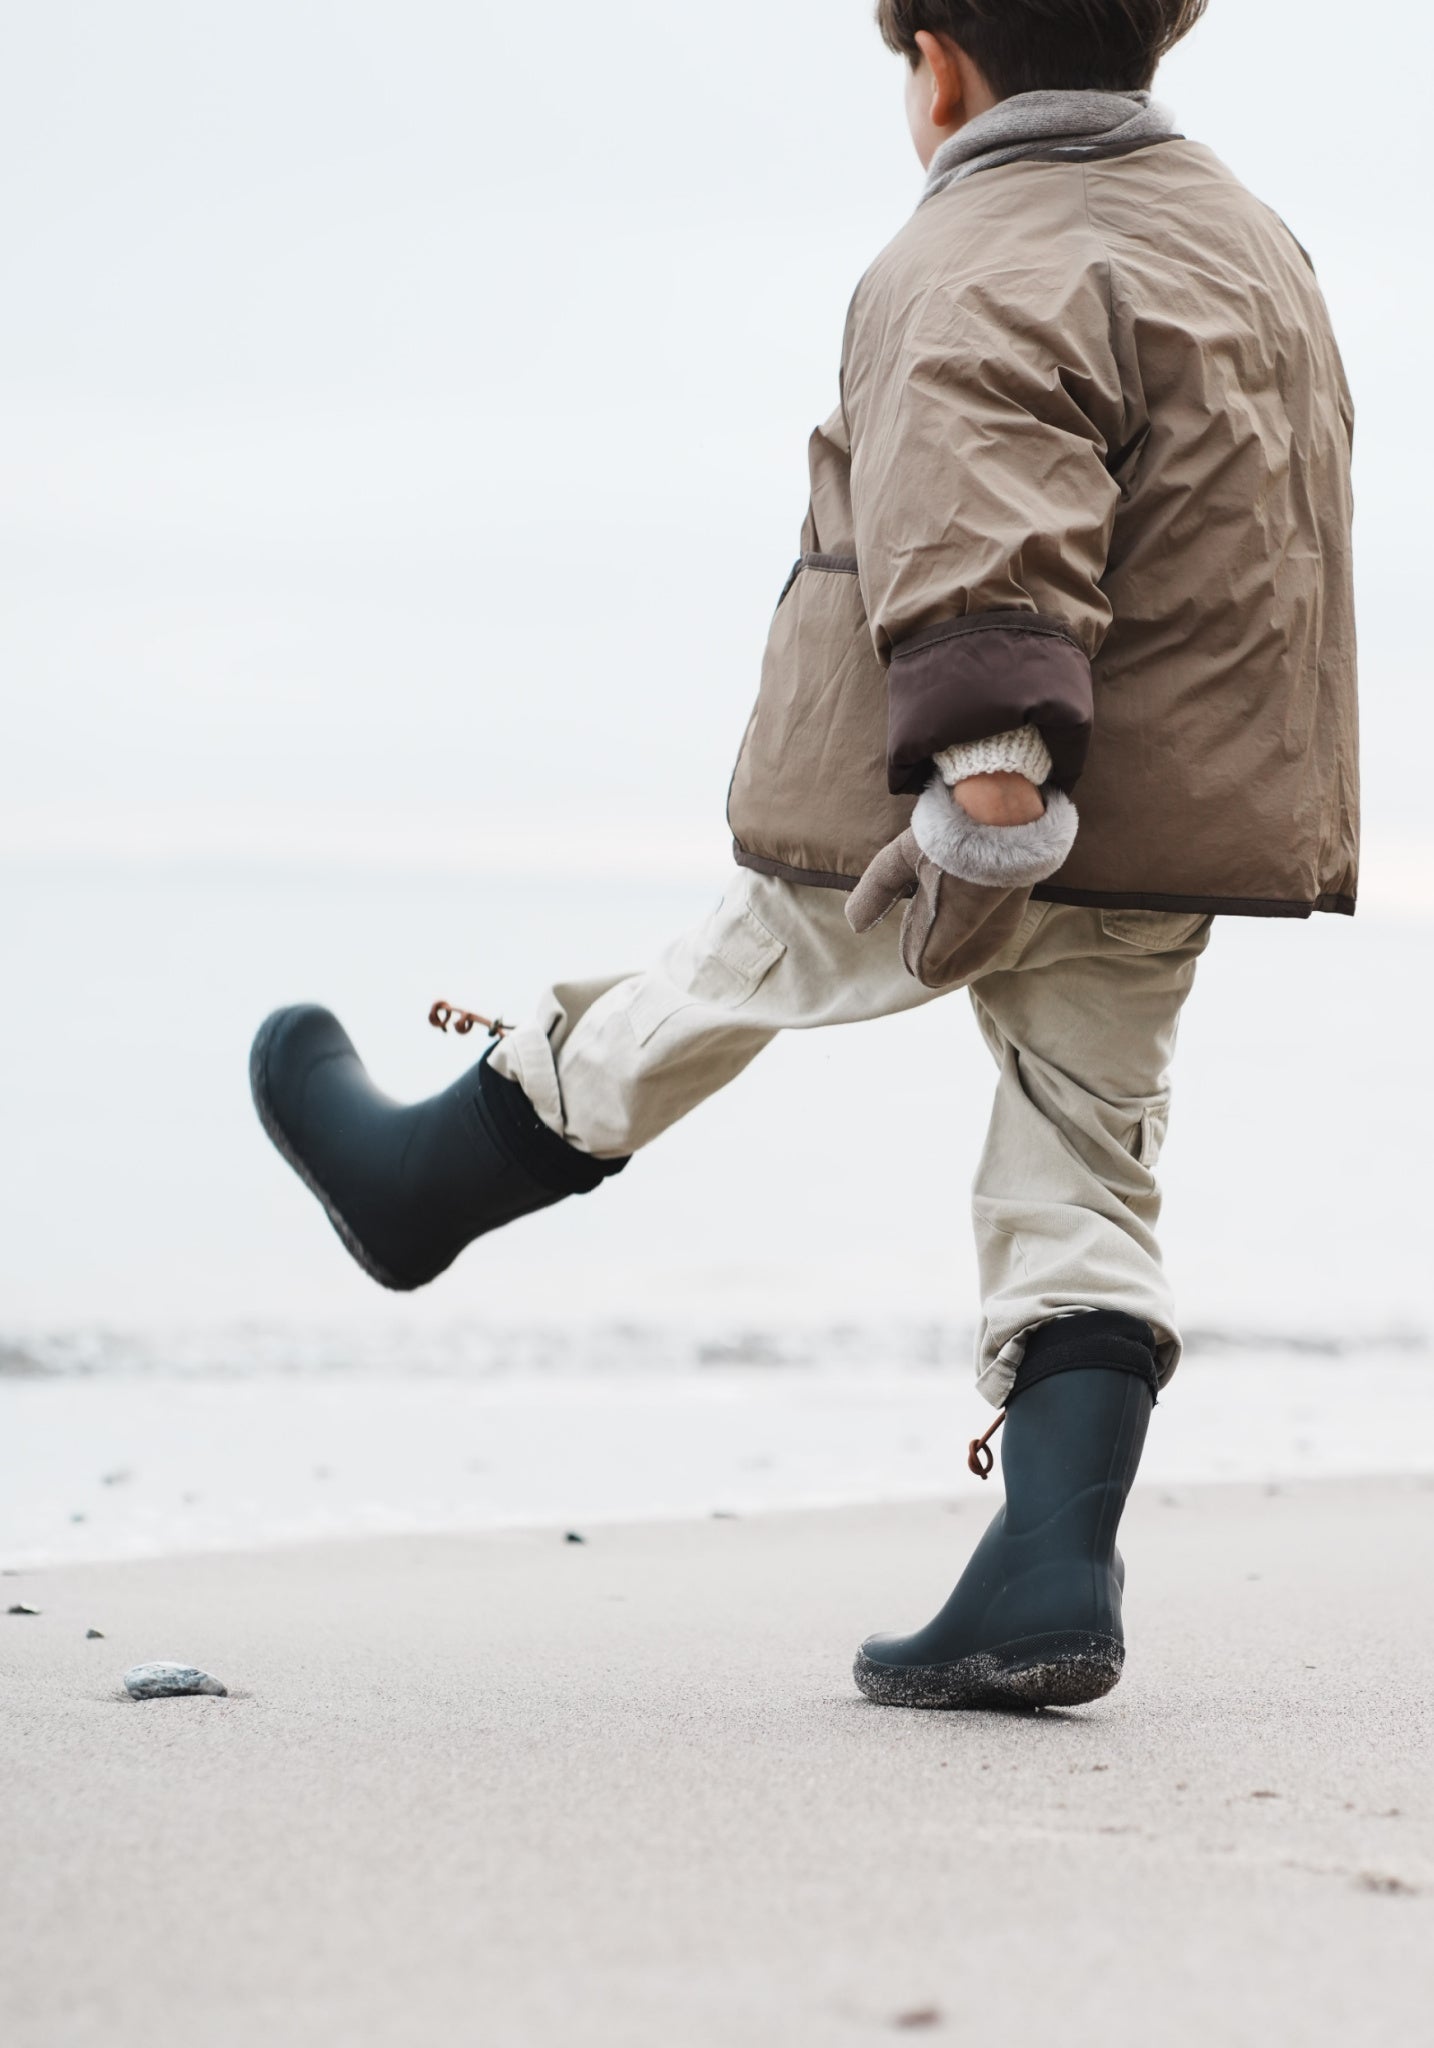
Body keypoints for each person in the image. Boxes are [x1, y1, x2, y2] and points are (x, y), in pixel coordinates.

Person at [249, 0, 1356, 1711]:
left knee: (725, 976)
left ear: (936, 71)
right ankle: (1049, 1568)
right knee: (1085, 1159)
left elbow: (985, 521)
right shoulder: (1250, 245)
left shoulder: (974, 251)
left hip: (949, 816)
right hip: (1165, 827)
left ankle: (426, 1185)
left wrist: (989, 799)